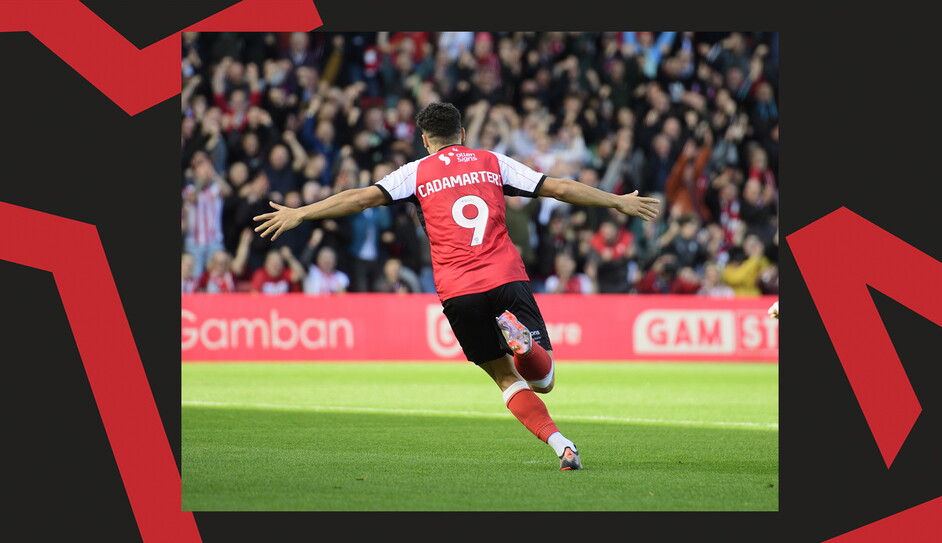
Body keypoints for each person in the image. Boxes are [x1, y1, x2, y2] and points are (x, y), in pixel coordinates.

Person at [253, 102, 660, 470]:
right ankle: (527, 348)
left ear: (426, 140)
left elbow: (361, 198)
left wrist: (302, 213)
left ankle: (562, 445)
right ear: (462, 134)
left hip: (458, 290)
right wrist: (616, 201)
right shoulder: (492, 161)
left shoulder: (414, 172)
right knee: (545, 379)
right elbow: (559, 187)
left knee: (505, 379)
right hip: (505, 277)